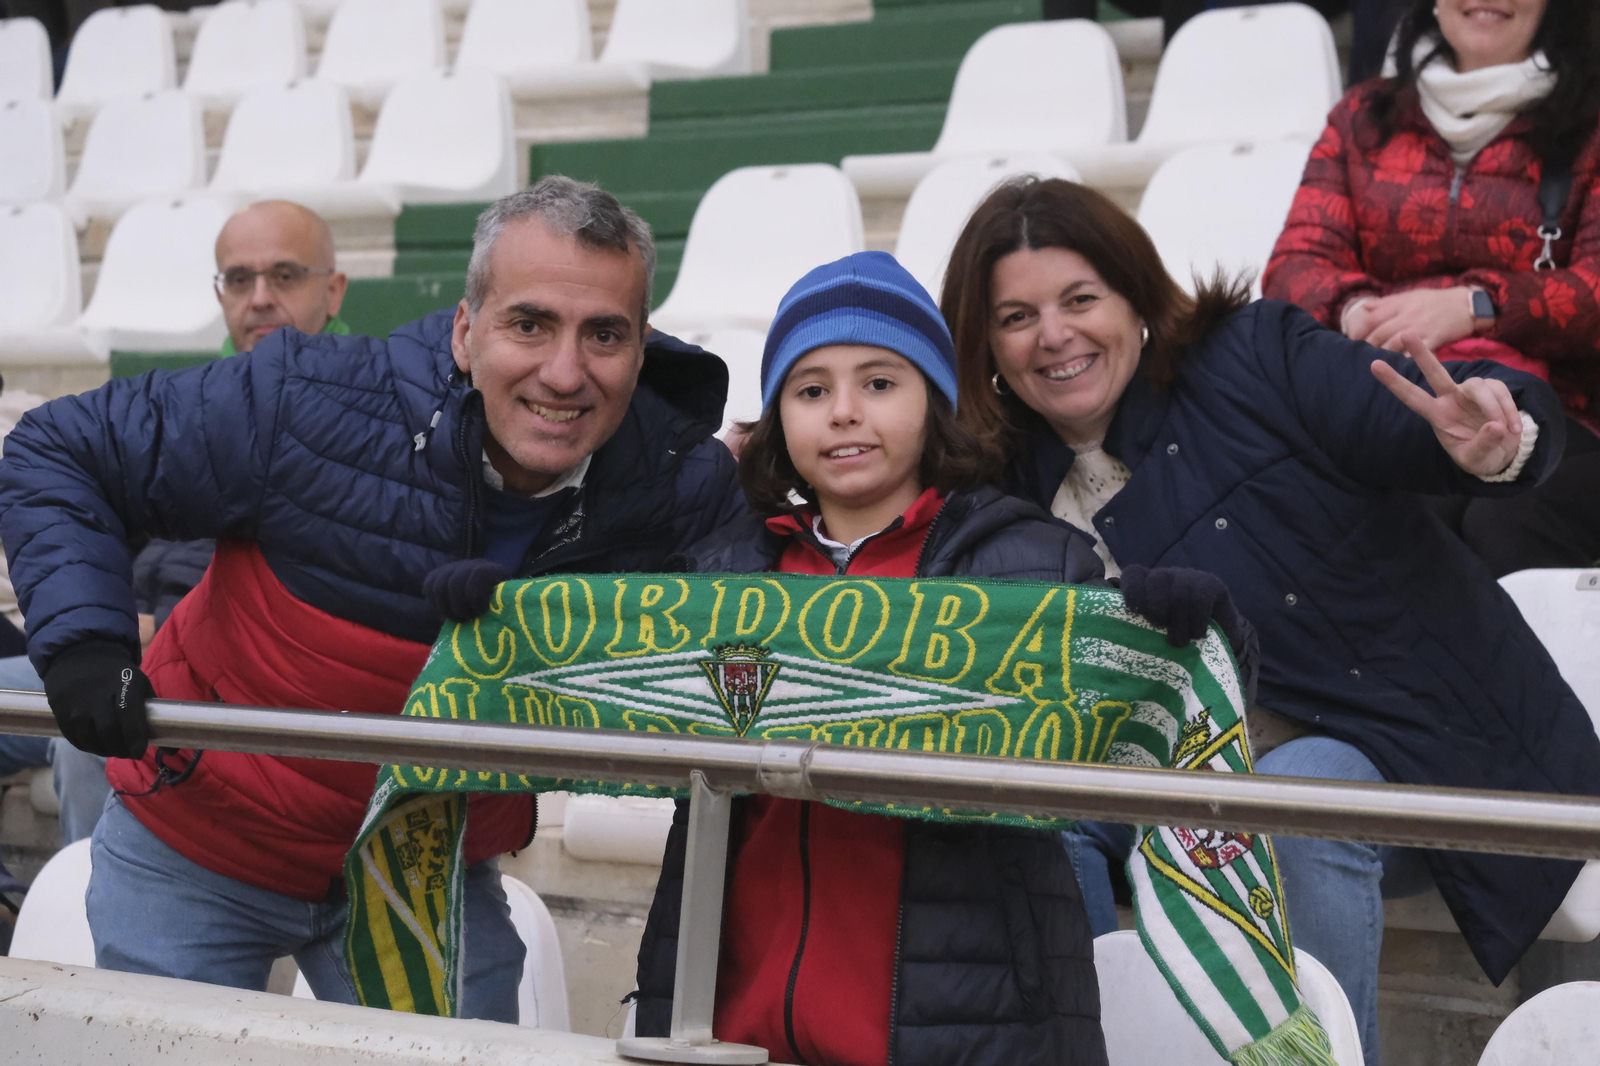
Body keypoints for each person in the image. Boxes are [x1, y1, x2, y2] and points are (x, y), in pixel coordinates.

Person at [0, 176, 743, 1015]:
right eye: (529, 324)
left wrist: (559, 645)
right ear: (466, 332)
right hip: (201, 840)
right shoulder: (300, 397)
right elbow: (61, 449)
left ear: (642, 348)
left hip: (425, 870)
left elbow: (737, 675)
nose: (564, 371)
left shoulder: (681, 482)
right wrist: (86, 643)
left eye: (603, 334)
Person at [939, 175, 1600, 1066]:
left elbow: (1430, 413)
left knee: (1291, 801)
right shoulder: (1001, 472)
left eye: (1079, 299)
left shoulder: (1254, 356)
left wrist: (1497, 439)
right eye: (1016, 317)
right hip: (1163, 779)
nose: (1053, 336)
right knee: (1042, 818)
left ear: (1135, 296)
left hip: (1398, 750)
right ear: (986, 344)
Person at [615, 252, 1311, 1066]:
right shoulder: (725, 574)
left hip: (972, 1032)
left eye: (879, 383)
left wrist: (1203, 630)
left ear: (936, 402)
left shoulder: (1030, 566)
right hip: (730, 1032)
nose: (843, 413)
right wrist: (501, 619)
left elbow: (1168, 716)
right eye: (810, 390)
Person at [1263, 0, 1600, 576]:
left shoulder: (1591, 118)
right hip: (1392, 399)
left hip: (1563, 415)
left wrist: (1477, 307)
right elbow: (1295, 264)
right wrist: (1358, 311)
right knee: (1378, 519)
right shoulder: (1361, 116)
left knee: (1505, 528)